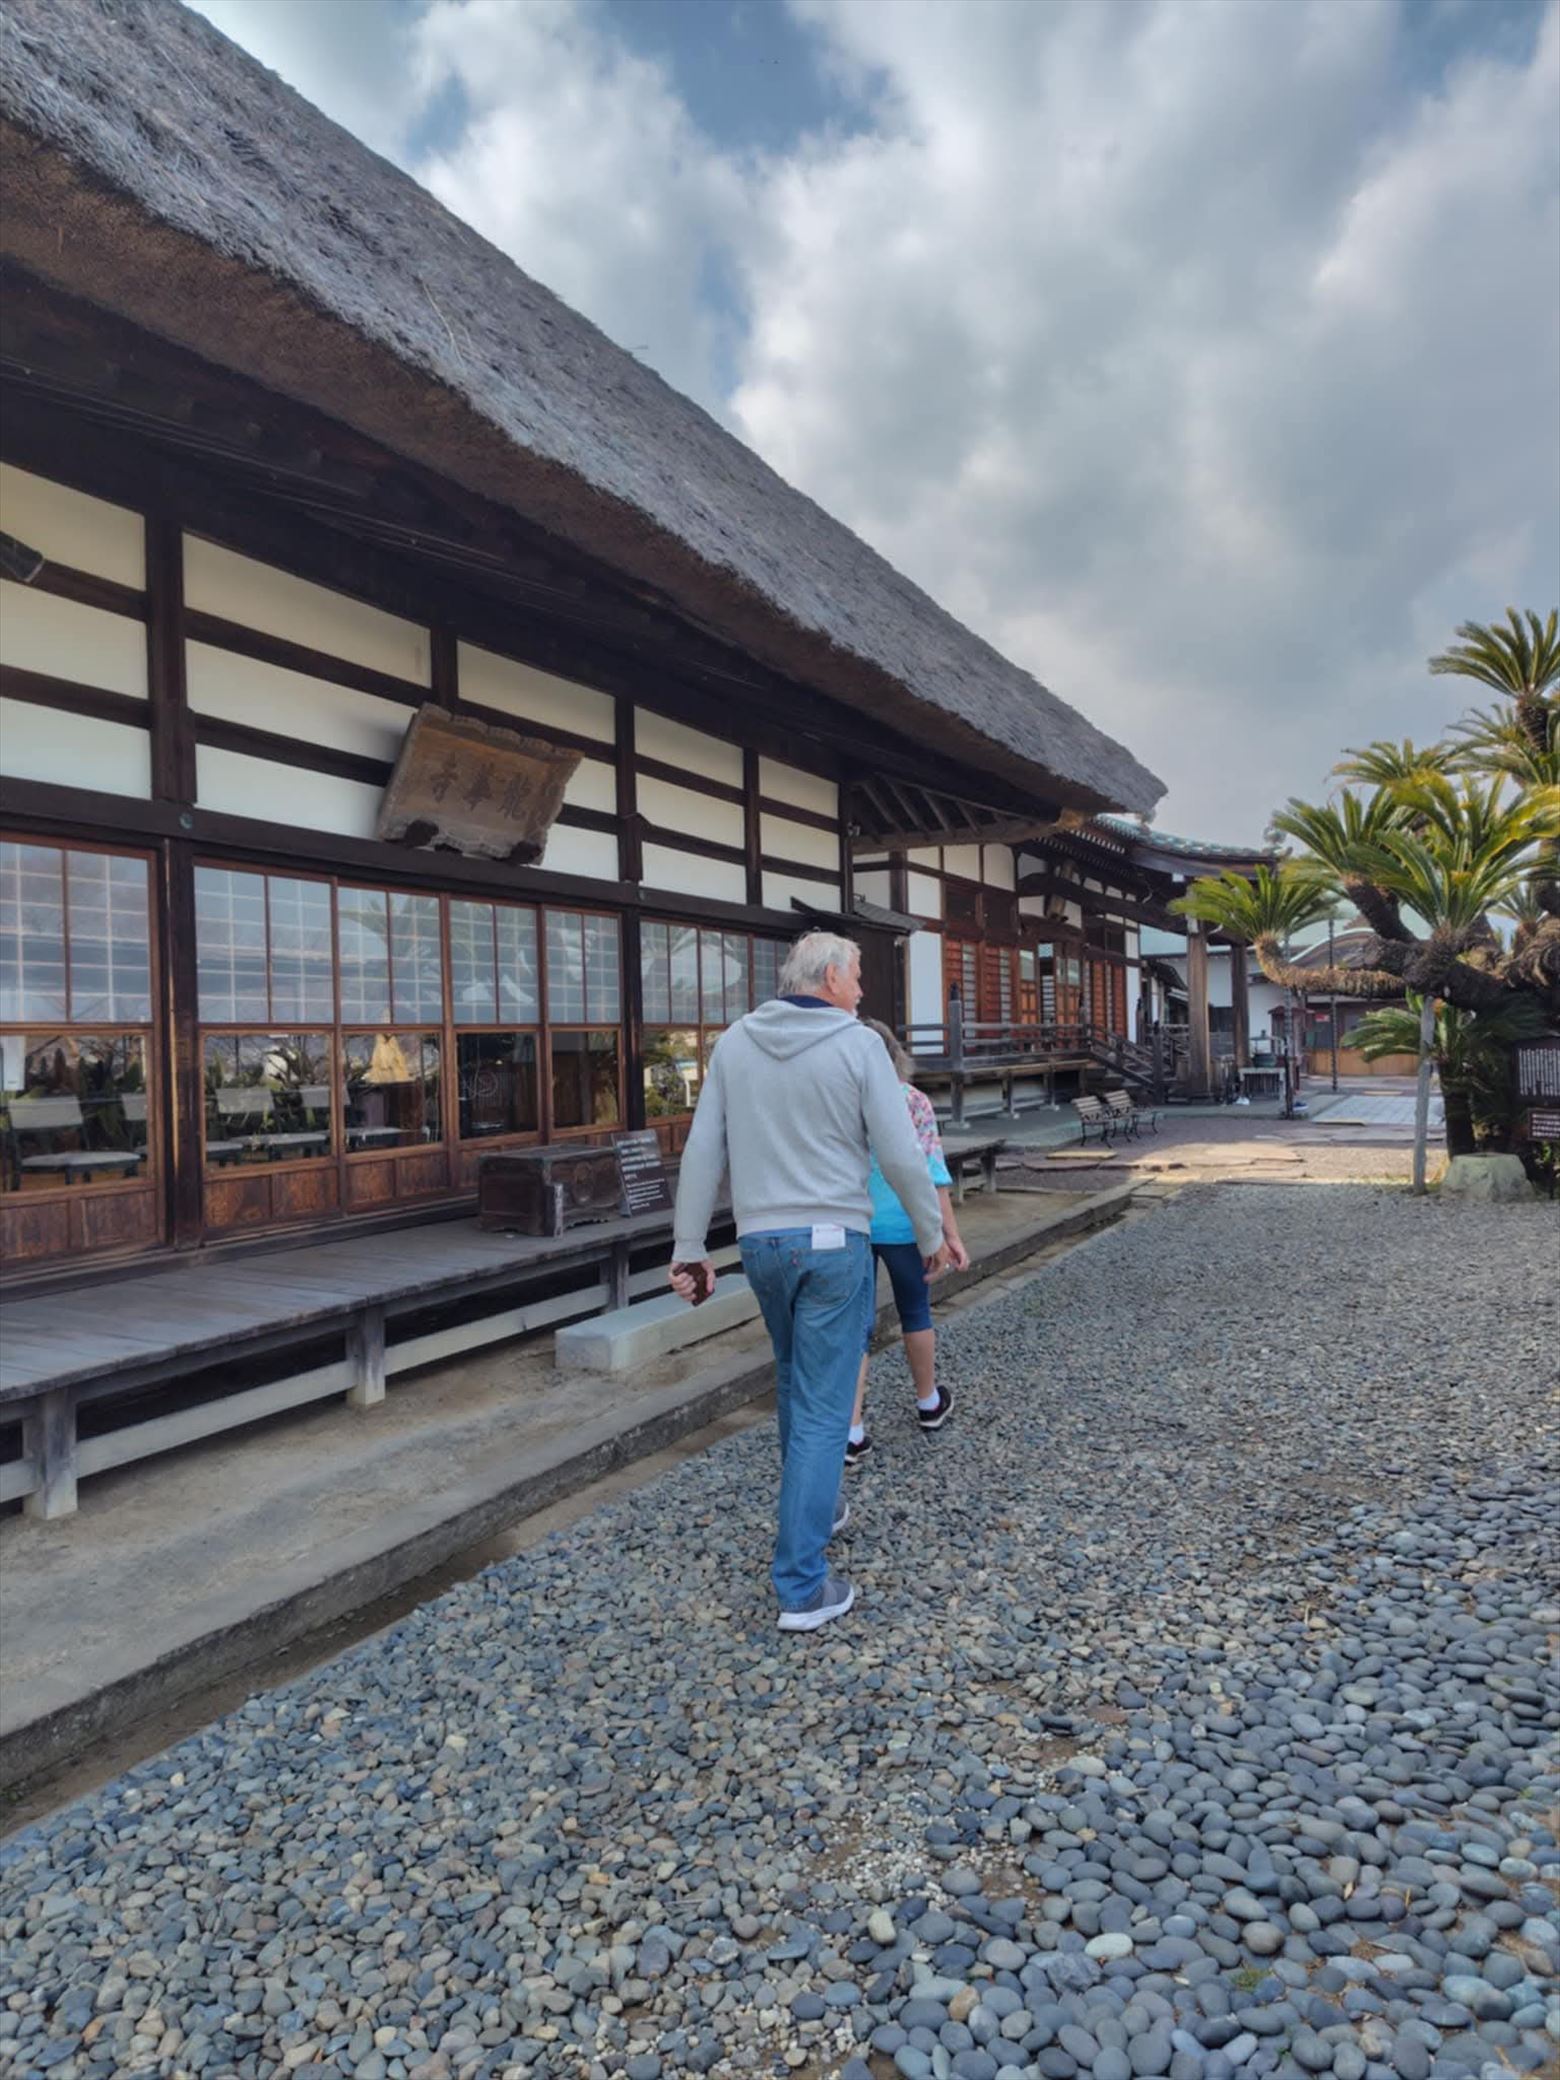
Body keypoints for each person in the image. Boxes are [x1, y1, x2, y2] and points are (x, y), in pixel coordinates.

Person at [669, 931, 949, 1632]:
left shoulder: (735, 1041)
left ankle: (821, 1504)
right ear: (828, 976)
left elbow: (705, 1145)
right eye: (856, 977)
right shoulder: (856, 1044)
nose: (861, 991)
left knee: (798, 1381)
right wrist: (931, 1234)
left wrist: (689, 1246)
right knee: (827, 1404)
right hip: (833, 1241)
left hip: (761, 1241)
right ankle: (802, 1585)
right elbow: (901, 1152)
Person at [847, 1019, 970, 1468]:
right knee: (915, 1311)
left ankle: (852, 1429)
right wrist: (946, 1234)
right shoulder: (912, 1101)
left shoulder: (841, 1100)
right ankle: (927, 1402)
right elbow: (932, 1174)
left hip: (852, 1225)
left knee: (854, 1326)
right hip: (903, 1223)